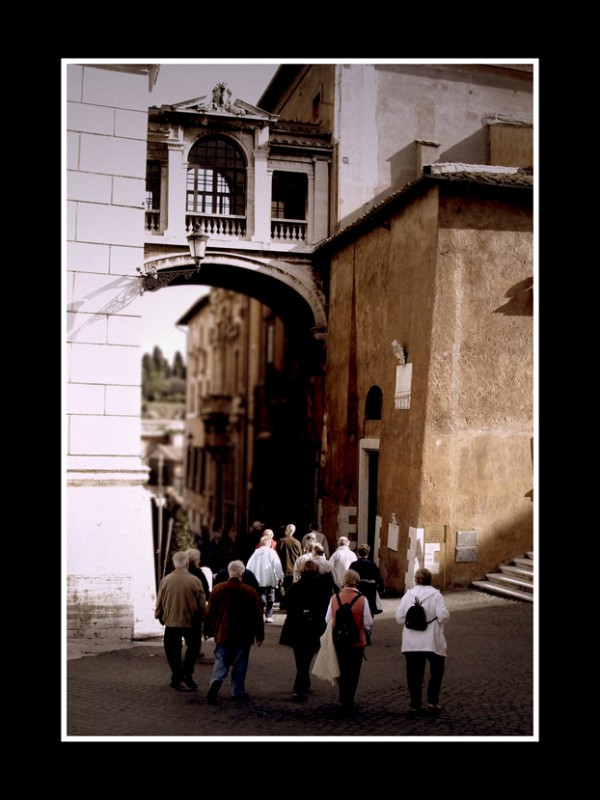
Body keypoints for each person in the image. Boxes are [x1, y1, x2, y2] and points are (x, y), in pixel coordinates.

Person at [203, 560, 265, 703]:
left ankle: (216, 681)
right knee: (240, 662)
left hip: (223, 632)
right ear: (242, 574)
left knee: (221, 659)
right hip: (243, 633)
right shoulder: (250, 591)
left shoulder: (218, 589)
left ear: (229, 572)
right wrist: (259, 635)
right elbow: (257, 615)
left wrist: (206, 630)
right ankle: (237, 691)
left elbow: (210, 612)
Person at [394, 567, 450, 716]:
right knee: (436, 672)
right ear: (430, 580)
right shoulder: (436, 595)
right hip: (432, 640)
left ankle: (415, 704)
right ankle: (432, 701)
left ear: (416, 580)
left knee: (414, 674)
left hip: (411, 641)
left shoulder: (408, 596)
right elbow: (443, 616)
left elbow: (399, 618)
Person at [279, 559, 333, 701]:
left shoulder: (295, 587)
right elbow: (327, 607)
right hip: (313, 627)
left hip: (296, 626)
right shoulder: (322, 587)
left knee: (300, 657)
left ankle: (304, 682)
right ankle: (298, 688)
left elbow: (283, 605)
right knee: (307, 657)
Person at [154, 551, 206, 690]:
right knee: (194, 647)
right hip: (191, 622)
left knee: (172, 650)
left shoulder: (166, 580)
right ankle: (187, 673)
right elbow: (201, 605)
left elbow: (160, 600)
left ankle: (176, 675)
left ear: (174, 563)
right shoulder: (195, 581)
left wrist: (159, 615)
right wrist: (202, 619)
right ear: (187, 563)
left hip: (171, 621)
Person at [325, 568, 372, 715]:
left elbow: (327, 619)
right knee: (353, 671)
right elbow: (368, 622)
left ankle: (342, 696)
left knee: (342, 669)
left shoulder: (334, 598)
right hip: (356, 640)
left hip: (339, 640)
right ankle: (349, 699)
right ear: (357, 582)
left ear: (344, 581)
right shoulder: (362, 599)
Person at [246, 532, 284, 622]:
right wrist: (280, 576)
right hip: (269, 578)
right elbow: (277, 565)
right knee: (271, 597)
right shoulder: (272, 552)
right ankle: (269, 615)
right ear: (269, 543)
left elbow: (249, 565)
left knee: (260, 596)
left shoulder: (255, 553)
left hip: (258, 578)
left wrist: (248, 577)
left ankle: (259, 614)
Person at [352, 543, 385, 635]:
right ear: (367, 553)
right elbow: (378, 577)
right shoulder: (371, 564)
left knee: (357, 608)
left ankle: (358, 630)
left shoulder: (354, 564)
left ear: (359, 553)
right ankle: (368, 630)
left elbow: (350, 576)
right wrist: (381, 588)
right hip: (370, 589)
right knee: (369, 609)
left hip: (358, 588)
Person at [277, 523, 303, 599]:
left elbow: (277, 555)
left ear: (287, 530)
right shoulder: (297, 542)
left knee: (283, 587)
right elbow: (300, 556)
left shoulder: (281, 541)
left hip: (284, 568)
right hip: (294, 569)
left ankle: (284, 602)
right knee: (292, 588)